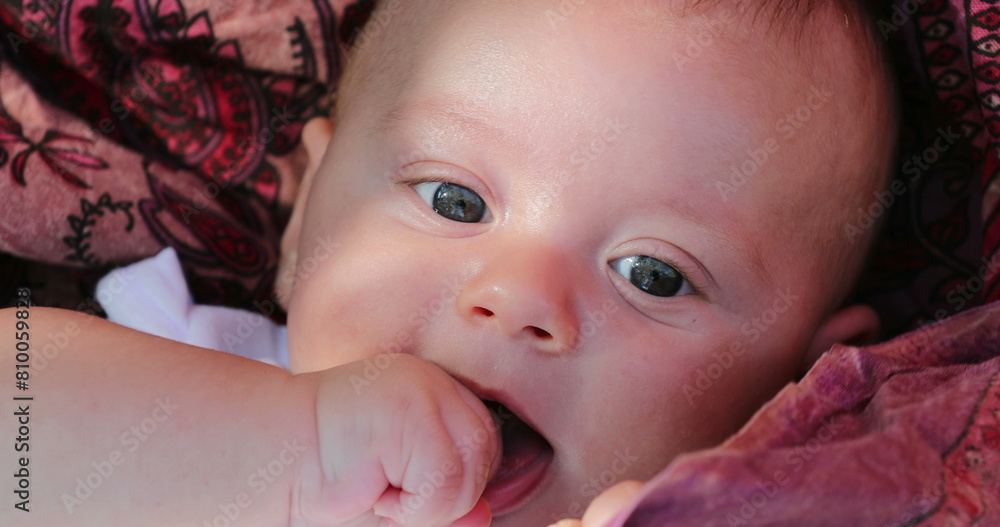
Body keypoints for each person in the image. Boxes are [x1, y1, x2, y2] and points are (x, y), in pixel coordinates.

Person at [0, 0, 897, 526]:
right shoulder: (195, 382)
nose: (515, 297)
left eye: (653, 274)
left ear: (806, 390)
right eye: (453, 200)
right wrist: (296, 446)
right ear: (307, 217)